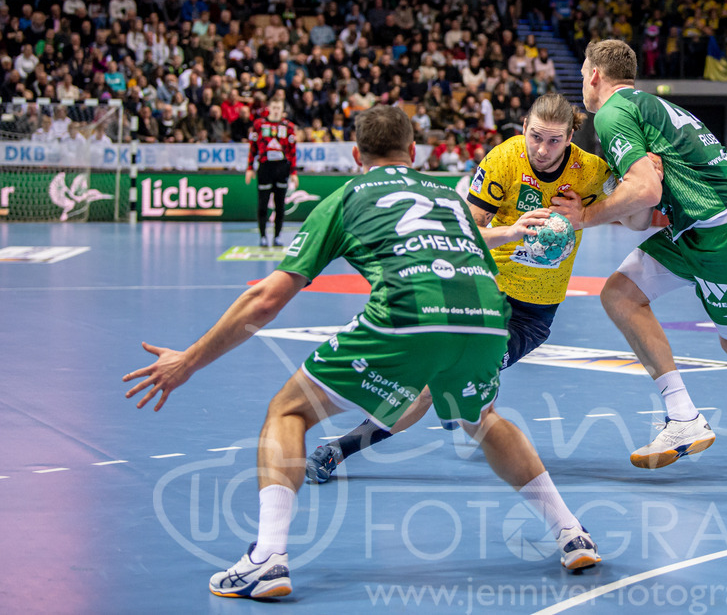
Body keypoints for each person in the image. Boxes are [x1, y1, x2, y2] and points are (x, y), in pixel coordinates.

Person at [123, 106, 600, 601]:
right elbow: (473, 249)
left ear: (356, 155)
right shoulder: (448, 195)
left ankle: (267, 558)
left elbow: (265, 299)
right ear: (414, 153)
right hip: (486, 317)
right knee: (482, 419)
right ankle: (571, 533)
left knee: (288, 410)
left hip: (413, 312)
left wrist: (189, 360)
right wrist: (513, 233)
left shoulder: (348, 195)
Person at [306, 92, 614, 482]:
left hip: (533, 314)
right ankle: (338, 449)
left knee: (449, 384)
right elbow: (466, 232)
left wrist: (586, 214)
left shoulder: (591, 171)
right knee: (429, 384)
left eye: (555, 140)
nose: (542, 148)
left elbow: (636, 209)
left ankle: (456, 399)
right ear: (523, 128)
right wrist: (515, 231)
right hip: (481, 294)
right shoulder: (504, 159)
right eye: (536, 136)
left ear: (571, 137)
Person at [555, 39, 727, 469]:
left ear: (593, 75)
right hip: (700, 229)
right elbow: (642, 213)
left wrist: (583, 215)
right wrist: (624, 194)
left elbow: (645, 189)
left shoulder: (611, 114)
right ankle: (687, 416)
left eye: (583, 75)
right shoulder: (646, 106)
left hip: (726, 233)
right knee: (620, 293)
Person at [246, 99, 298, 246]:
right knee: (263, 203)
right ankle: (263, 236)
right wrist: (250, 168)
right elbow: (252, 147)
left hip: (282, 168)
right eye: (273, 107)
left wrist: (293, 172)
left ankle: (277, 236)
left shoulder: (288, 126)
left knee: (280, 204)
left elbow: (293, 151)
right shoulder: (259, 125)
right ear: (269, 108)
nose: (276, 110)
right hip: (265, 168)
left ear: (282, 110)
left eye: (278, 107)